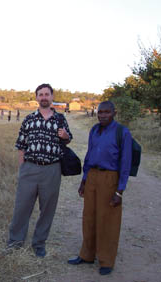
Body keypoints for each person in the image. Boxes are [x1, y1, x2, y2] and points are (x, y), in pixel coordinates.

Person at [6, 83, 72, 258]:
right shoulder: (29, 119)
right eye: (40, 94)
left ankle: (39, 244)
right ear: (36, 98)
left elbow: (68, 139)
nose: (44, 97)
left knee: (47, 209)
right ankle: (15, 242)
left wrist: (65, 136)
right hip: (30, 168)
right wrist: (22, 169)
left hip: (52, 170)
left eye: (47, 94)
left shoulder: (60, 119)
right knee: (22, 207)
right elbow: (21, 145)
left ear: (52, 97)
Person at [67, 101, 132, 276]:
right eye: (100, 112)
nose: (102, 115)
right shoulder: (94, 130)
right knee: (89, 216)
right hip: (93, 177)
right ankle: (87, 255)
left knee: (108, 219)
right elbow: (89, 156)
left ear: (114, 113)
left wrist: (119, 191)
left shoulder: (122, 132)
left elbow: (126, 163)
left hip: (110, 177)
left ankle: (106, 260)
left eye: (106, 112)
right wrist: (84, 180)